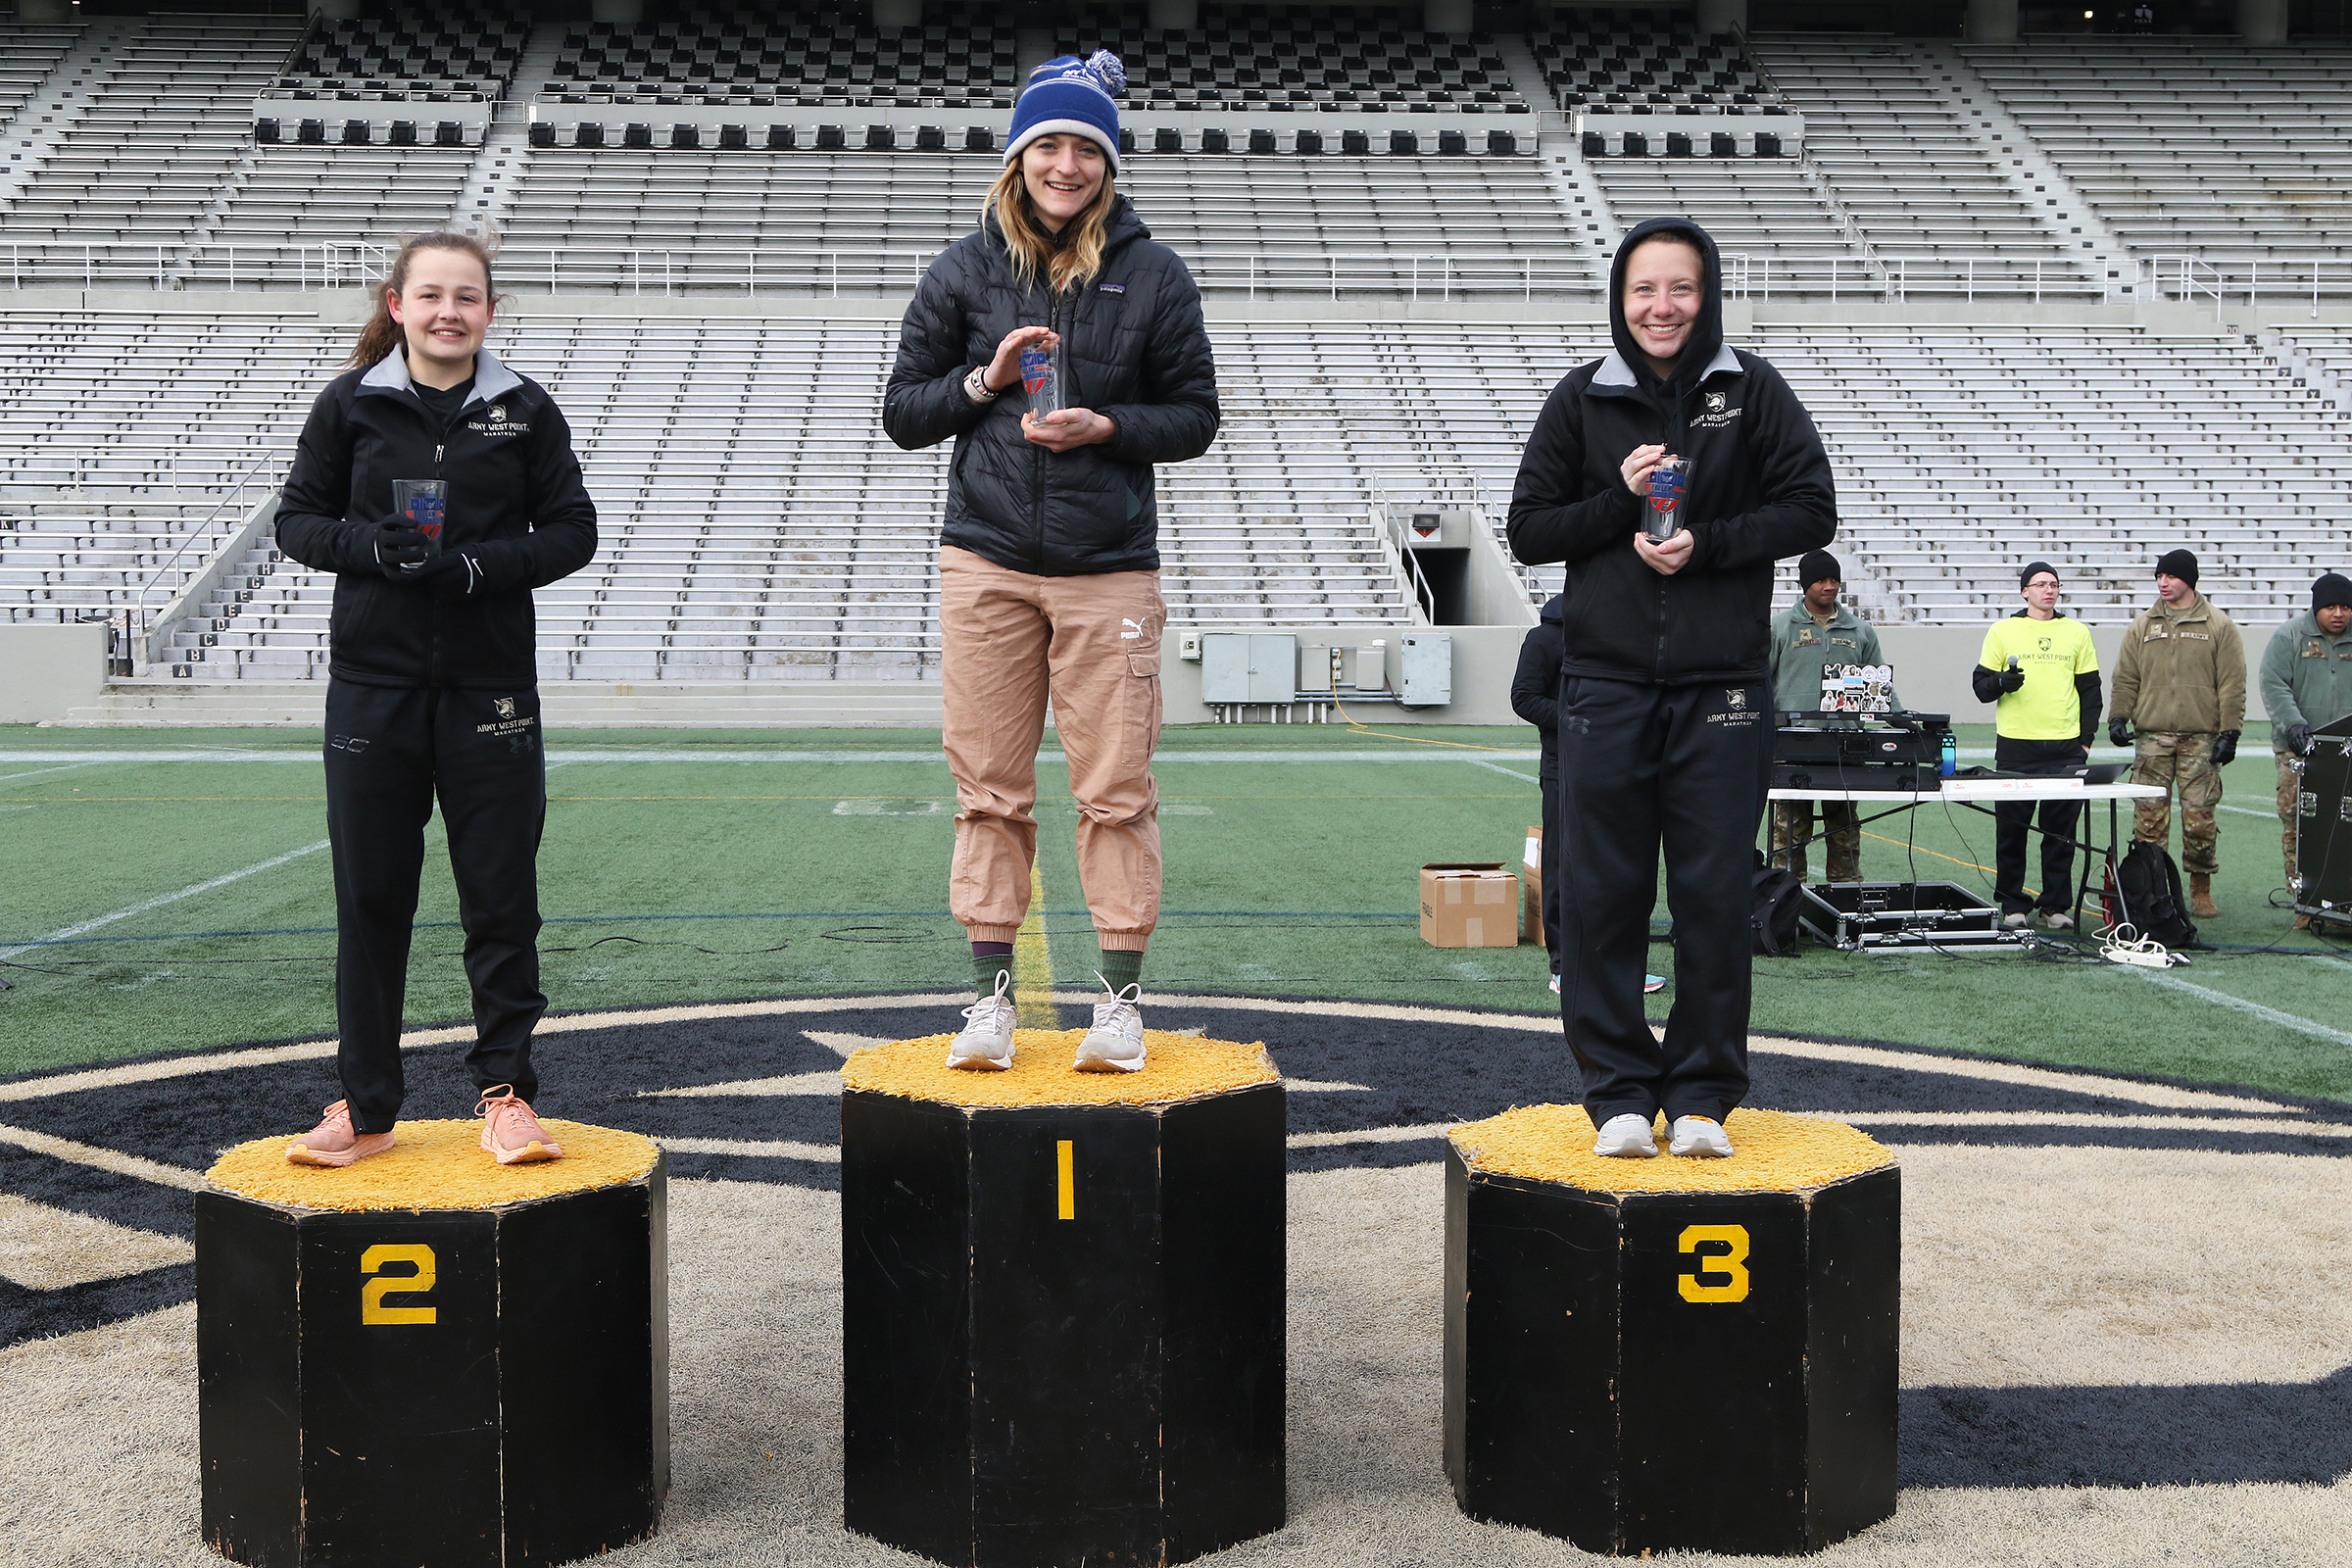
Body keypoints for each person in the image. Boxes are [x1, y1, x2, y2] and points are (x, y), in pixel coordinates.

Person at [883, 51, 1219, 1074]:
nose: (1065, 164)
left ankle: (1118, 1006)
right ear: (1019, 154)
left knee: (1116, 789)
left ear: (1107, 163)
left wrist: (1107, 426)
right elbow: (903, 412)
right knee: (988, 787)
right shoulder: (964, 267)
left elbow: (1196, 418)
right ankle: (990, 1003)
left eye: (1085, 147)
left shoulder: (1156, 274)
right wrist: (983, 382)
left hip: (1108, 563)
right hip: (986, 560)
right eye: (1048, 145)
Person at [1506, 217, 1836, 1161]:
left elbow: (1814, 508)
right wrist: (1619, 499)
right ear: (1620, 297)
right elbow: (1530, 528)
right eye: (1644, 289)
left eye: (1680, 289)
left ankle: (1700, 1097)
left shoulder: (1754, 389)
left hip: (1722, 690)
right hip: (1604, 687)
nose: (1662, 307)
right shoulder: (1580, 400)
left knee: (1712, 898)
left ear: (1709, 294)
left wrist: (1711, 544)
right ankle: (1614, 1091)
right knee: (1601, 898)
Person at [273, 231, 597, 1168]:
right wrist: (371, 549)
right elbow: (298, 519)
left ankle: (506, 1098)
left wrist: (472, 569)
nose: (449, 311)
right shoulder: (350, 405)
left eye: (468, 297)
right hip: (372, 693)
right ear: (398, 307)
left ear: (489, 313)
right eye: (431, 296)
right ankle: (366, 1108)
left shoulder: (526, 412)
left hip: (491, 692)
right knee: (371, 902)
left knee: (500, 900)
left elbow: (571, 532)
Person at [1511, 600, 1667, 999]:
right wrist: (1570, 719)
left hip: (1623, 766)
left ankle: (1624, 967)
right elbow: (1523, 697)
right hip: (1564, 768)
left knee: (1623, 867)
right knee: (1564, 864)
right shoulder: (1545, 638)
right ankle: (1564, 966)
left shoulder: (1620, 632)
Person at [2109, 549, 2244, 919]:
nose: (2163, 583)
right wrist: (2119, 716)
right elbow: (2126, 677)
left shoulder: (2218, 625)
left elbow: (2232, 684)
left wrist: (2230, 731)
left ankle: (2200, 888)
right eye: (2159, 576)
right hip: (2152, 737)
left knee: (2200, 819)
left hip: (2200, 738)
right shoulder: (2142, 626)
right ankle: (2153, 890)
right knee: (2149, 821)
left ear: (2190, 579)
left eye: (2170, 576)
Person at [1972, 563, 2101, 931]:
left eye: (2054, 584)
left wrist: (2086, 741)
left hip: (2065, 748)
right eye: (2040, 584)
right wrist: (2002, 682)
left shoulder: (2076, 632)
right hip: (2016, 747)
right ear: (2024, 592)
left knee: (2060, 835)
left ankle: (2055, 906)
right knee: (2011, 831)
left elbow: (2091, 692)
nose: (2049, 590)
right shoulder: (2003, 630)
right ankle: (2013, 903)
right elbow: (1980, 688)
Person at [1766, 548, 1891, 885]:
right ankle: (1785, 904)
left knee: (1845, 830)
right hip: (1793, 744)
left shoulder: (1860, 630)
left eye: (1834, 579)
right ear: (1804, 584)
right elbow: (1761, 681)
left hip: (1846, 745)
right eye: (1821, 579)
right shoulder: (1780, 627)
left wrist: (1901, 718)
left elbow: (1879, 685)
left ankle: (1846, 896)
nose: (1829, 586)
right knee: (1788, 832)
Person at [2260, 571, 2352, 928]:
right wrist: (2293, 723)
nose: (2339, 613)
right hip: (2299, 750)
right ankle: (2304, 899)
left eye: (2346, 606)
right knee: (2298, 823)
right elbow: (2273, 681)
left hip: (2346, 751)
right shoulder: (2290, 636)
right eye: (2331, 606)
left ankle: (2342, 900)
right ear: (2316, 608)